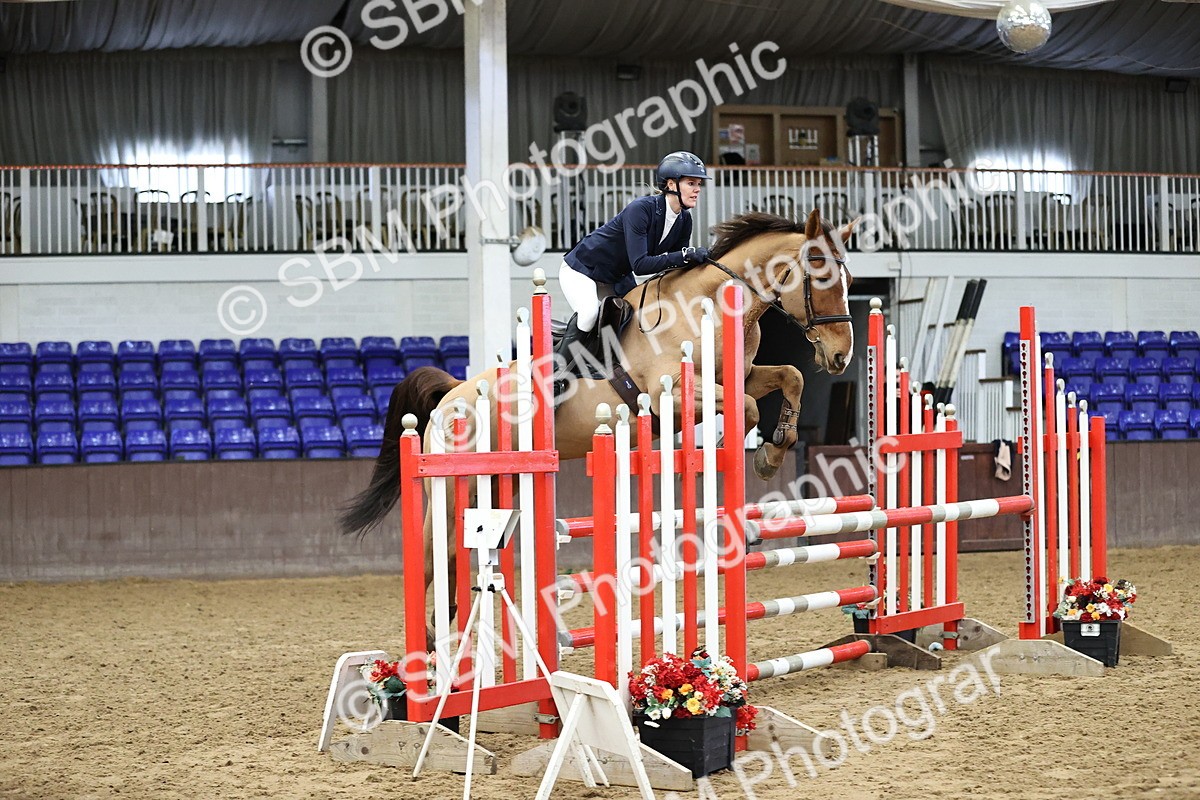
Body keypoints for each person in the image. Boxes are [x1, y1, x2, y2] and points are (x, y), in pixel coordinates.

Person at [554, 151, 711, 387]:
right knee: (589, 313)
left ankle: (606, 367)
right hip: (583, 269)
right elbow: (641, 264)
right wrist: (685, 255)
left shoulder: (683, 220)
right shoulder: (642, 209)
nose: (697, 189)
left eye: (698, 184)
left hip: (616, 277)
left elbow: (675, 265)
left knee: (637, 318)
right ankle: (554, 375)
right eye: (691, 183)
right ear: (671, 184)